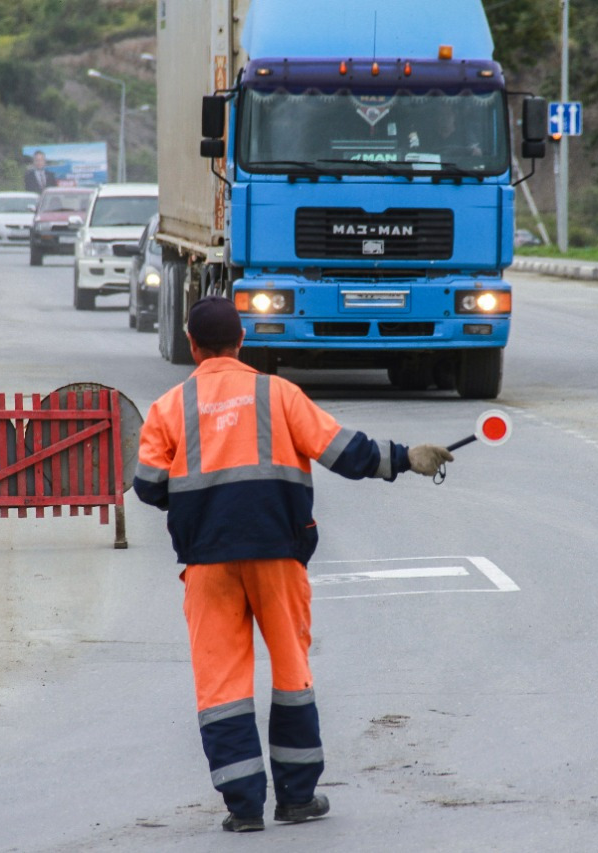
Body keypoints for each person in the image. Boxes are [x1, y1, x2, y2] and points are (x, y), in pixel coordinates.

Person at [133, 296, 454, 833]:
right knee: (291, 674)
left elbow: (147, 487)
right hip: (278, 556)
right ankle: (297, 799)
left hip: (208, 565)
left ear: (192, 345)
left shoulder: (170, 407)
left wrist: (197, 500)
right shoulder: (278, 394)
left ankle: (242, 808)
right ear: (242, 341)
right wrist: (405, 458)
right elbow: (345, 453)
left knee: (222, 685)